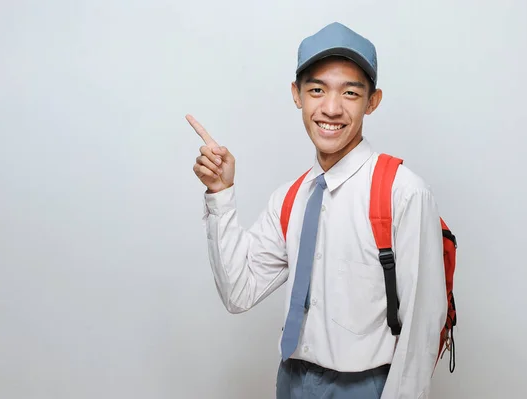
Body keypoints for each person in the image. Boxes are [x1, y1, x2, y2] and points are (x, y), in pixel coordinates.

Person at [187, 22, 447, 399]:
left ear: (373, 101)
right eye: (317, 90)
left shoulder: (402, 192)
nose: (331, 108)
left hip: (367, 387)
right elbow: (238, 292)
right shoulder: (292, 197)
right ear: (297, 95)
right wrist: (221, 194)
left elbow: (423, 327)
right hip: (291, 382)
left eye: (350, 92)